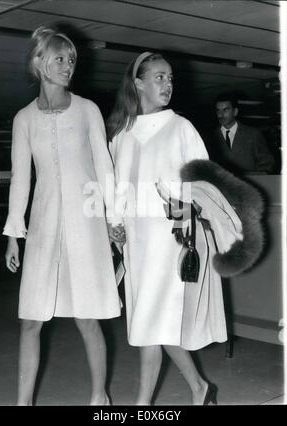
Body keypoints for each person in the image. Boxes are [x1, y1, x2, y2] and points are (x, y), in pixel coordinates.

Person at [3, 26, 121, 406]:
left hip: (87, 227)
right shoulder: (23, 119)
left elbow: (105, 169)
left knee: (88, 319)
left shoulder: (88, 110)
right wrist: (13, 235)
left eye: (71, 59)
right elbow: (21, 180)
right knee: (30, 321)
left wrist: (114, 218)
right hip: (43, 228)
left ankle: (99, 398)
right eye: (59, 58)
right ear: (38, 62)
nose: (68, 65)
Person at [106, 52, 226, 405]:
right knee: (152, 324)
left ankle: (142, 408)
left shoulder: (181, 127)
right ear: (138, 83)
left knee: (148, 326)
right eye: (159, 77)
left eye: (170, 78)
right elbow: (116, 188)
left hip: (169, 240)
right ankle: (201, 388)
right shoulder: (121, 134)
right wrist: (114, 224)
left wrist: (186, 203)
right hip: (135, 245)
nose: (167, 84)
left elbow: (206, 181)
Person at [210, 92, 275, 174]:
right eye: (218, 110)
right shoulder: (210, 137)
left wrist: (258, 177)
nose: (221, 115)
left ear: (235, 112)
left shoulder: (253, 134)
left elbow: (266, 162)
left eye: (225, 110)